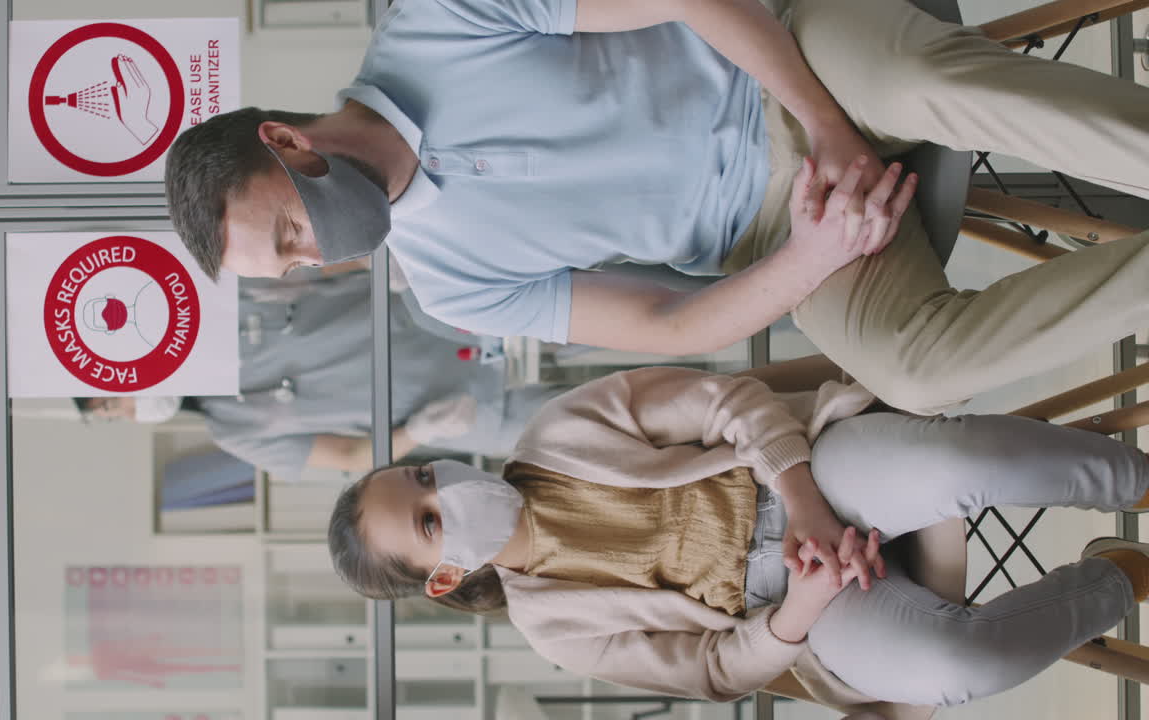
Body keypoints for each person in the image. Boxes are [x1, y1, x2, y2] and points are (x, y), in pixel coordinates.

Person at [164, 0, 1149, 415]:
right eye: (290, 267)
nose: (313, 257)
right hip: (772, 234)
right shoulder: (450, 289)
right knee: (919, 372)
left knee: (927, 84)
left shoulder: (433, 24)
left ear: (285, 145)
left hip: (783, 75)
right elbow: (670, 320)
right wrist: (811, 252)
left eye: (288, 231)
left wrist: (825, 127)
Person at [327, 366, 1149, 716]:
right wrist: (804, 603)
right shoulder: (554, 629)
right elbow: (714, 671)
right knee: (956, 668)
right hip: (795, 604)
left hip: (804, 474)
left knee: (953, 459)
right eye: (430, 521)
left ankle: (1132, 477)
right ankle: (1117, 579)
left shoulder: (559, 429)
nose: (449, 491)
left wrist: (804, 506)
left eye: (426, 477)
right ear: (443, 579)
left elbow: (730, 403)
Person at [76, 271, 569, 481]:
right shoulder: (234, 429)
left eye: (109, 401)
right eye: (113, 415)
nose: (126, 410)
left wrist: (394, 269)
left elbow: (322, 264)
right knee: (603, 428)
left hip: (445, 316)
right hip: (465, 407)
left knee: (617, 310)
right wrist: (421, 432)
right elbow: (351, 455)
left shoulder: (224, 301)